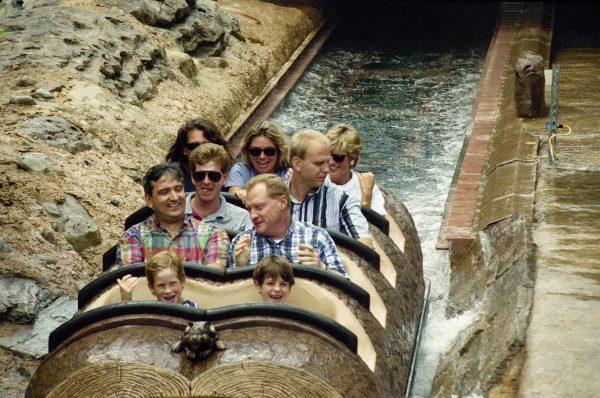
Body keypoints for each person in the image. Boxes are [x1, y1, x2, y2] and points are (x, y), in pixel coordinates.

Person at [227, 174, 347, 276]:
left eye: (259, 207)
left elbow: (345, 291)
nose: (253, 215)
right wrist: (240, 268)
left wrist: (322, 269)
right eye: (249, 209)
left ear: (282, 202)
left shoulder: (317, 237)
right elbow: (231, 296)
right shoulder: (241, 243)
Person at [116, 162, 229, 268]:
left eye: (178, 189)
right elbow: (134, 284)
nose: (175, 197)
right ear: (149, 200)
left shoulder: (213, 234)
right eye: (164, 192)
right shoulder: (133, 237)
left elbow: (213, 283)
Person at [287, 129, 372, 247]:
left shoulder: (342, 201)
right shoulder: (270, 195)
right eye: (319, 163)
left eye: (327, 162)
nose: (327, 169)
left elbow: (365, 245)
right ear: (297, 164)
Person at [186, 143, 252, 232]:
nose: (206, 181)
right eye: (199, 175)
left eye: (214, 175)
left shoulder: (242, 219)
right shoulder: (171, 211)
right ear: (192, 177)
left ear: (225, 178)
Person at [325, 124, 386, 215]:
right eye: (327, 154)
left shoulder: (365, 187)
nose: (331, 162)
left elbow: (375, 226)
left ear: (352, 159)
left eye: (338, 157)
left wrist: (366, 198)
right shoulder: (316, 181)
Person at [226, 121, 290, 202]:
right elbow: (234, 194)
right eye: (255, 151)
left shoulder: (289, 172)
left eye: (269, 151)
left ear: (279, 151)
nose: (262, 156)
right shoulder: (240, 170)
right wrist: (239, 194)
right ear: (247, 152)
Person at [166, 117, 228, 193]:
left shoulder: (226, 171)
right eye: (194, 146)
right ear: (184, 149)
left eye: (207, 145)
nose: (200, 150)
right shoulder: (169, 175)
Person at [117, 251, 197, 307]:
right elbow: (129, 328)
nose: (168, 290)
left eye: (172, 283)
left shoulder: (192, 309)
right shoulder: (150, 313)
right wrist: (125, 301)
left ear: (182, 281)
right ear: (151, 287)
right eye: (161, 285)